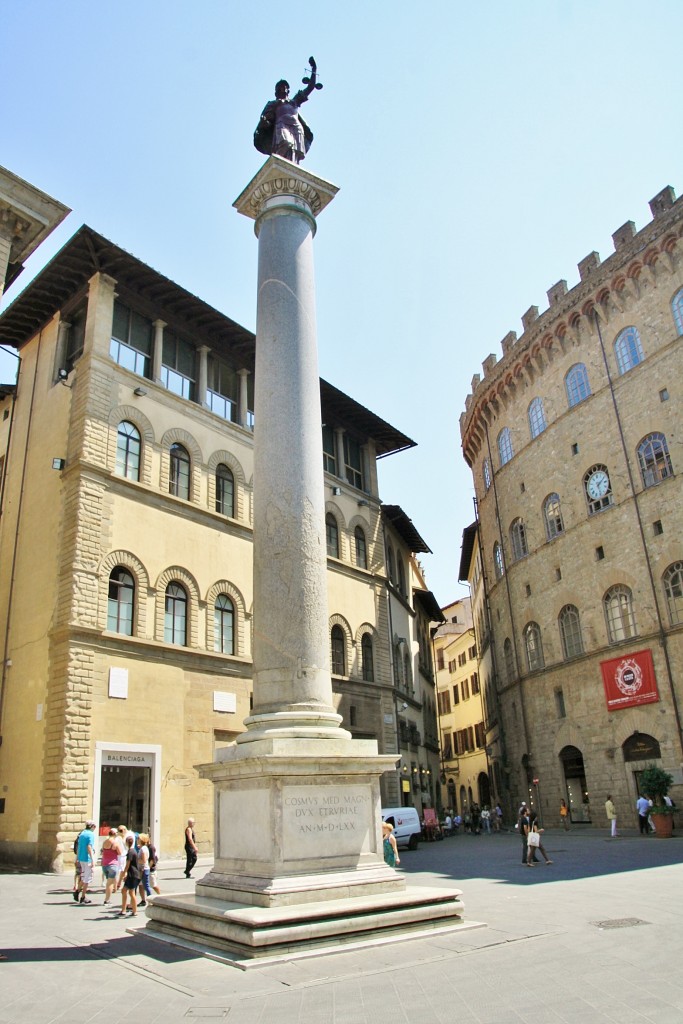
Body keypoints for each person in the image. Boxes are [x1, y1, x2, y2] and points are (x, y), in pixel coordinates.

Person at [254, 57, 320, 165]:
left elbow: (310, 87)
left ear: (288, 90)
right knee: (285, 142)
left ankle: (291, 170)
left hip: (295, 126)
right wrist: (264, 122)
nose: (282, 89)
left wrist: (314, 69)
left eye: (284, 87)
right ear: (276, 92)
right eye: (280, 87)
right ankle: (276, 166)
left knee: (295, 152)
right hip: (281, 125)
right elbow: (266, 120)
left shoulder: (294, 102)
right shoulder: (273, 104)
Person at [76, 819, 97, 905]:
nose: (95, 828)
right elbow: (89, 847)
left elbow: (79, 846)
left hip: (81, 857)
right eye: (94, 826)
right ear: (92, 826)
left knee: (83, 875)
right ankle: (83, 897)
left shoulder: (82, 833)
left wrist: (77, 858)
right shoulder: (91, 835)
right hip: (87, 858)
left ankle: (77, 891)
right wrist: (93, 860)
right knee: (87, 879)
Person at [101, 828, 123, 905]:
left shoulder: (104, 842)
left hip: (104, 864)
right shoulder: (115, 843)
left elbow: (102, 851)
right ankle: (107, 900)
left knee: (109, 881)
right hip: (112, 864)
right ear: (115, 834)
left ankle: (110, 895)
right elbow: (120, 852)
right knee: (109, 883)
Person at [119, 835, 139, 916]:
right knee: (125, 891)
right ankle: (124, 910)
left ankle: (134, 911)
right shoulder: (133, 851)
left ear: (127, 843)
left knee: (131, 892)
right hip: (133, 874)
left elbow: (127, 865)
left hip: (132, 874)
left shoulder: (130, 852)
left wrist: (122, 875)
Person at [137, 833, 152, 907]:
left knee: (146, 886)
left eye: (138, 838)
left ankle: (151, 900)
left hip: (144, 869)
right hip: (141, 869)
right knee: (141, 886)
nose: (137, 840)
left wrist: (136, 859)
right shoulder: (142, 848)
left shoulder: (143, 849)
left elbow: (144, 860)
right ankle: (143, 900)